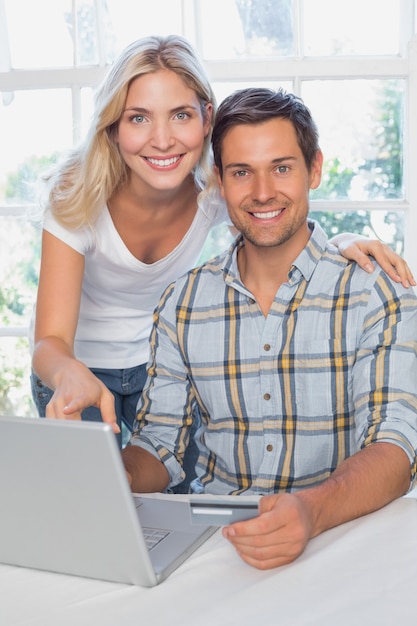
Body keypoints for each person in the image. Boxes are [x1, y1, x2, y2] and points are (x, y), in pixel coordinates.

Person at [31, 34, 413, 456]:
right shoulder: (76, 194)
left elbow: (271, 221)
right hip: (77, 367)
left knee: (171, 502)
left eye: (180, 115)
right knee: (90, 500)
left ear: (206, 116)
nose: (162, 140)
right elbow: (49, 339)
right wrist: (67, 372)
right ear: (114, 127)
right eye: (138, 118)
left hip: (160, 369)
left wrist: (341, 240)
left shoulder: (213, 186)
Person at [122, 87, 417, 570]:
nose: (262, 192)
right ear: (220, 180)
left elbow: (395, 446)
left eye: (281, 167)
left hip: (341, 539)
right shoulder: (184, 303)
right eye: (242, 172)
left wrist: (310, 508)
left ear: (314, 169)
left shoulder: (376, 293)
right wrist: (105, 472)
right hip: (218, 546)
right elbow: (160, 445)